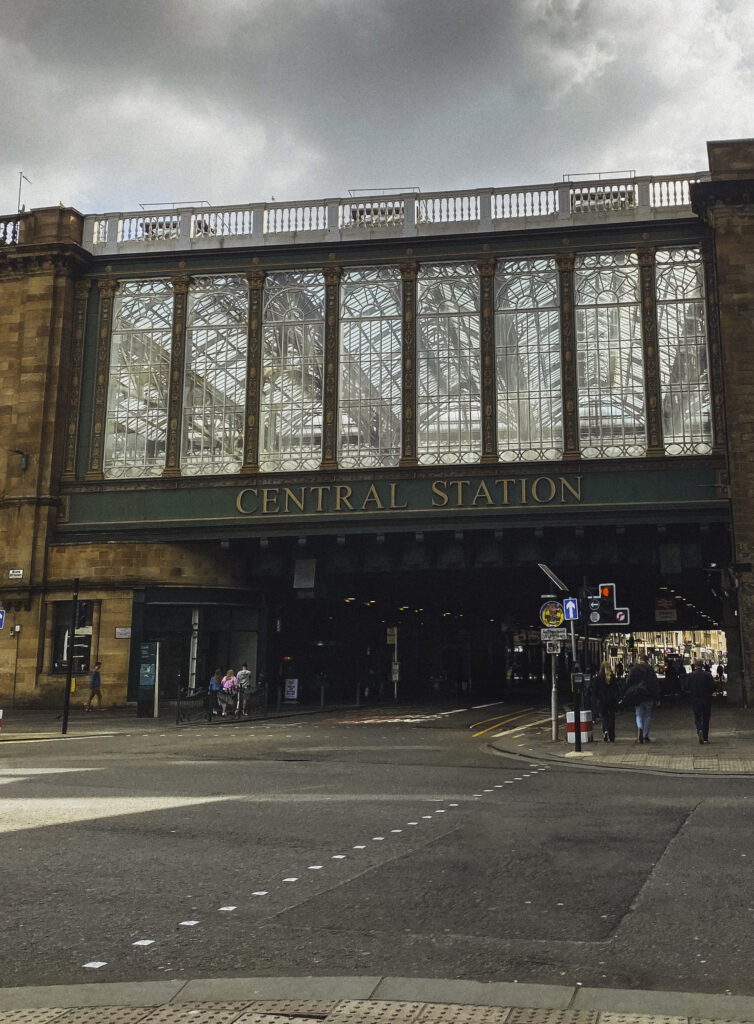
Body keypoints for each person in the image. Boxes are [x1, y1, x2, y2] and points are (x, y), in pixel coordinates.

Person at [621, 655, 660, 744]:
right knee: (647, 715)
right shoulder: (650, 669)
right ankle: (645, 735)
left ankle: (640, 728)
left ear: (640, 659)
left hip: (637, 694)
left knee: (638, 714)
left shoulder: (634, 669)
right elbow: (655, 684)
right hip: (648, 694)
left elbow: (628, 681)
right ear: (647, 660)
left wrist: (626, 693)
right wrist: (657, 697)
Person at [688, 658, 716, 744]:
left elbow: (687, 688)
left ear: (695, 665)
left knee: (697, 717)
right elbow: (712, 687)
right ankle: (705, 737)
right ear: (703, 665)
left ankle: (699, 729)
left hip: (695, 699)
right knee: (706, 718)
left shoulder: (691, 675)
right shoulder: (707, 675)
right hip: (706, 699)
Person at [595, 660, 618, 742]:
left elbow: (595, 689)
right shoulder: (613, 677)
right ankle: (612, 736)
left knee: (604, 716)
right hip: (611, 699)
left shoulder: (598, 677)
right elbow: (616, 688)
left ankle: (605, 731)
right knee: (611, 717)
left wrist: (597, 698)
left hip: (602, 700)